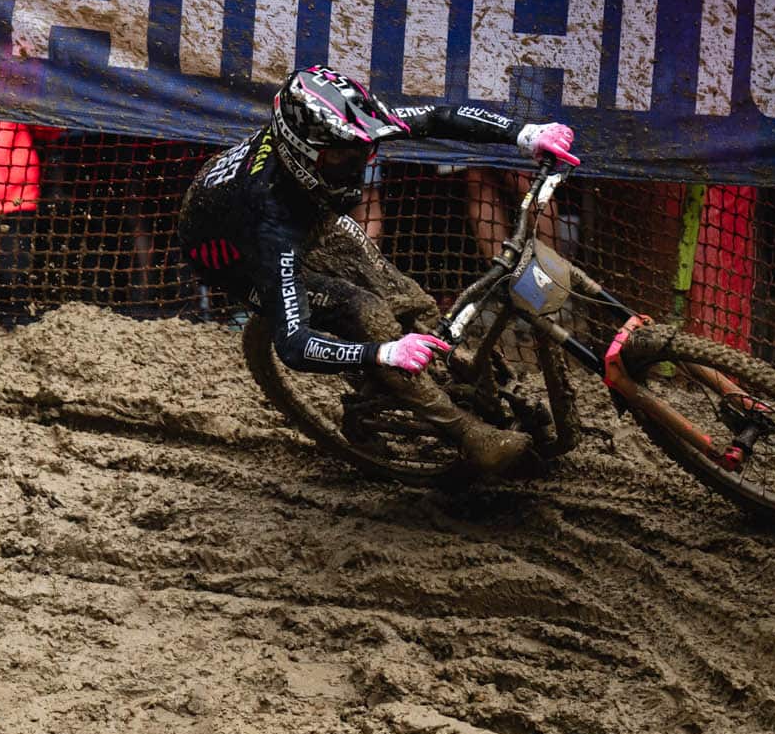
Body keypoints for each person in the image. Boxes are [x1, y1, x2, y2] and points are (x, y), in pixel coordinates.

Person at [176, 65, 578, 475]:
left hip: (310, 215)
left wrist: (525, 134)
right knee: (366, 311)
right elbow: (293, 345)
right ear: (302, 153)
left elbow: (439, 117)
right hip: (241, 259)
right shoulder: (271, 218)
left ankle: (465, 381)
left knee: (411, 300)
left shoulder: (353, 126)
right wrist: (382, 353)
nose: (355, 166)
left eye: (362, 154)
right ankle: (469, 433)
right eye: (341, 158)